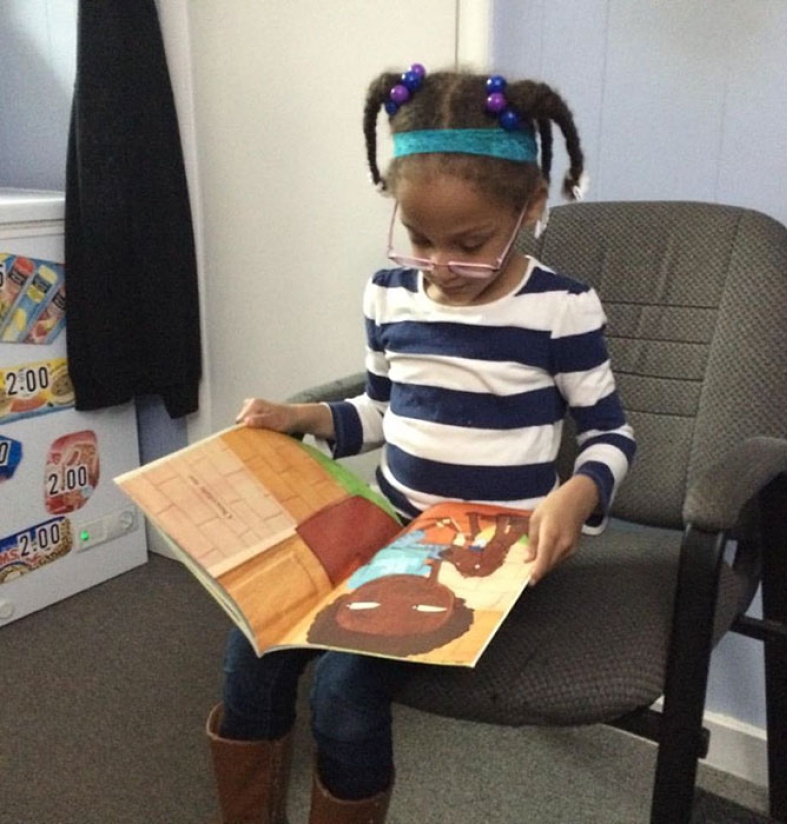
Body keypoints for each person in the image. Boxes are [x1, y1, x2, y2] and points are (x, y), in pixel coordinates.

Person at [206, 64, 636, 823]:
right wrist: (304, 420)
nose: (440, 266)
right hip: (388, 528)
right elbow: (382, 410)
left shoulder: (559, 310)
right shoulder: (388, 294)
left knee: (343, 688)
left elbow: (608, 432)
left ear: (530, 207)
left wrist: (581, 490)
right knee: (255, 638)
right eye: (419, 240)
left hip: (491, 551)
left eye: (469, 243)